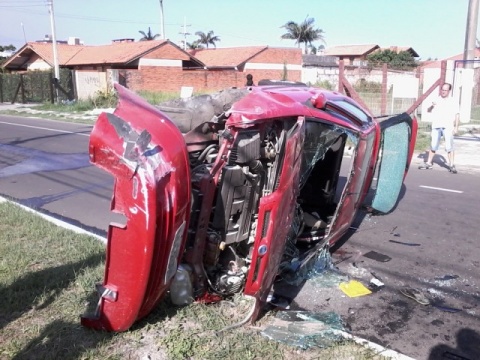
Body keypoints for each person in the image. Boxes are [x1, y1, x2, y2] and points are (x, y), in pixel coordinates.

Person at [419, 83, 460, 173]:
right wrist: (432, 106)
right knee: (433, 146)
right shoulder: (437, 99)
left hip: (448, 126)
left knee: (449, 147)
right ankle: (429, 163)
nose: (443, 92)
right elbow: (428, 110)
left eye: (445, 90)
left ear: (449, 91)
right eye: (442, 90)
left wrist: (456, 128)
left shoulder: (453, 101)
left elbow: (457, 115)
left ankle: (451, 165)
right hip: (436, 126)